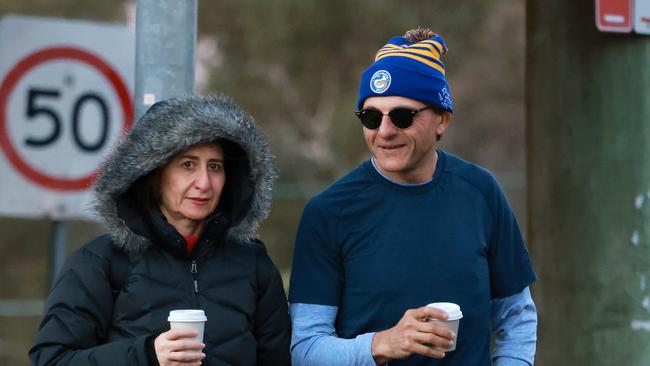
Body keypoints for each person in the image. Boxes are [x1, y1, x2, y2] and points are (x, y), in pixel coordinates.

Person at [288, 27, 537, 365]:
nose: (385, 131)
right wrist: (379, 344)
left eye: (403, 116)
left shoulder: (481, 192)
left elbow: (516, 317)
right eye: (372, 117)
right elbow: (305, 349)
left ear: (442, 120)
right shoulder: (328, 212)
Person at [29, 95, 291, 366]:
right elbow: (52, 359)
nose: (204, 182)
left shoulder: (254, 264)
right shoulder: (101, 261)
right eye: (187, 164)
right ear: (153, 174)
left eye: (215, 167)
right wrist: (147, 355)